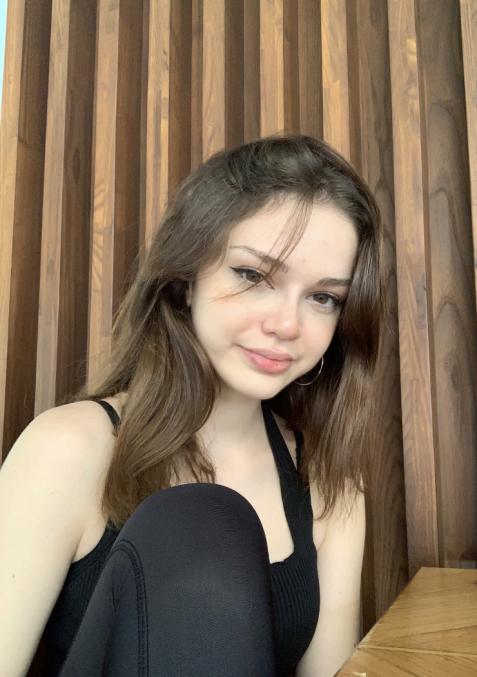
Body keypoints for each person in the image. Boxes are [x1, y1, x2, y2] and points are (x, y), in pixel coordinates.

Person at [0, 134, 384, 677]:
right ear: (186, 280)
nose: (286, 324)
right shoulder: (68, 449)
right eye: (253, 276)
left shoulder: (326, 479)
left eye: (323, 298)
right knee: (200, 524)